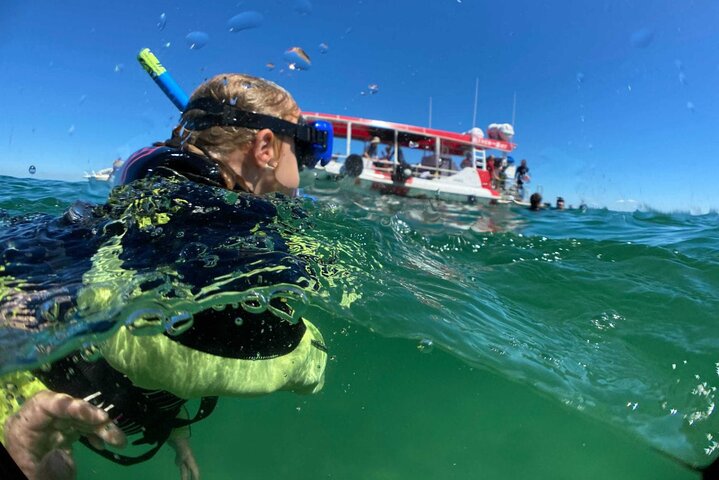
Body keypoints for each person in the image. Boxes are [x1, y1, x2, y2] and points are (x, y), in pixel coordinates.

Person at [1, 73, 329, 480]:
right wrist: (312, 359)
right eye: (302, 151)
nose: (305, 169)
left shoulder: (163, 197)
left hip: (37, 346)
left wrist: (179, 438)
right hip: (52, 365)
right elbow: (163, 345)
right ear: (265, 147)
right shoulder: (215, 218)